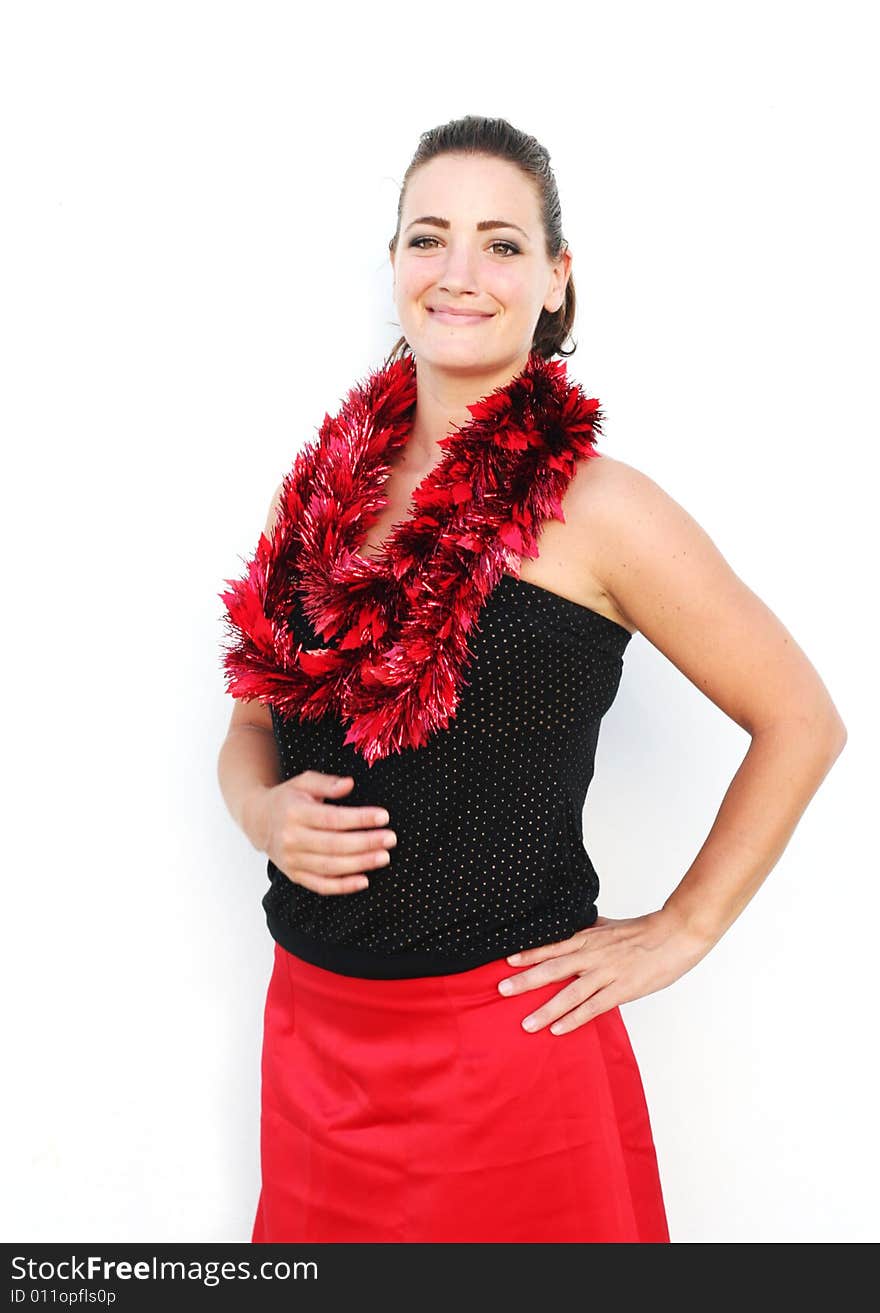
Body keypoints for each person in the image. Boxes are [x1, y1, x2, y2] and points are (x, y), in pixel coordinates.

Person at [216, 115, 847, 1244]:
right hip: (312, 1039)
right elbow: (251, 721)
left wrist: (684, 927)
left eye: (501, 244)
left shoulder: (601, 510)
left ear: (556, 280)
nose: (459, 273)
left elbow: (800, 717)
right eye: (429, 237)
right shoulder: (315, 490)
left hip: (504, 1054)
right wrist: (261, 810)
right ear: (396, 264)